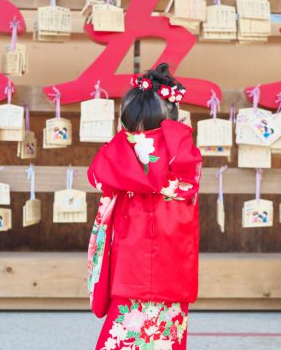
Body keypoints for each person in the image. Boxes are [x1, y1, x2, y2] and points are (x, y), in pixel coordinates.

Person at [87, 63, 202, 350]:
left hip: (137, 263)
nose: (138, 136)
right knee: (166, 336)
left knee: (123, 336)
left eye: (143, 127)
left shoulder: (123, 151)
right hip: (167, 263)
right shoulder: (184, 154)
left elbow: (98, 174)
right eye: (132, 127)